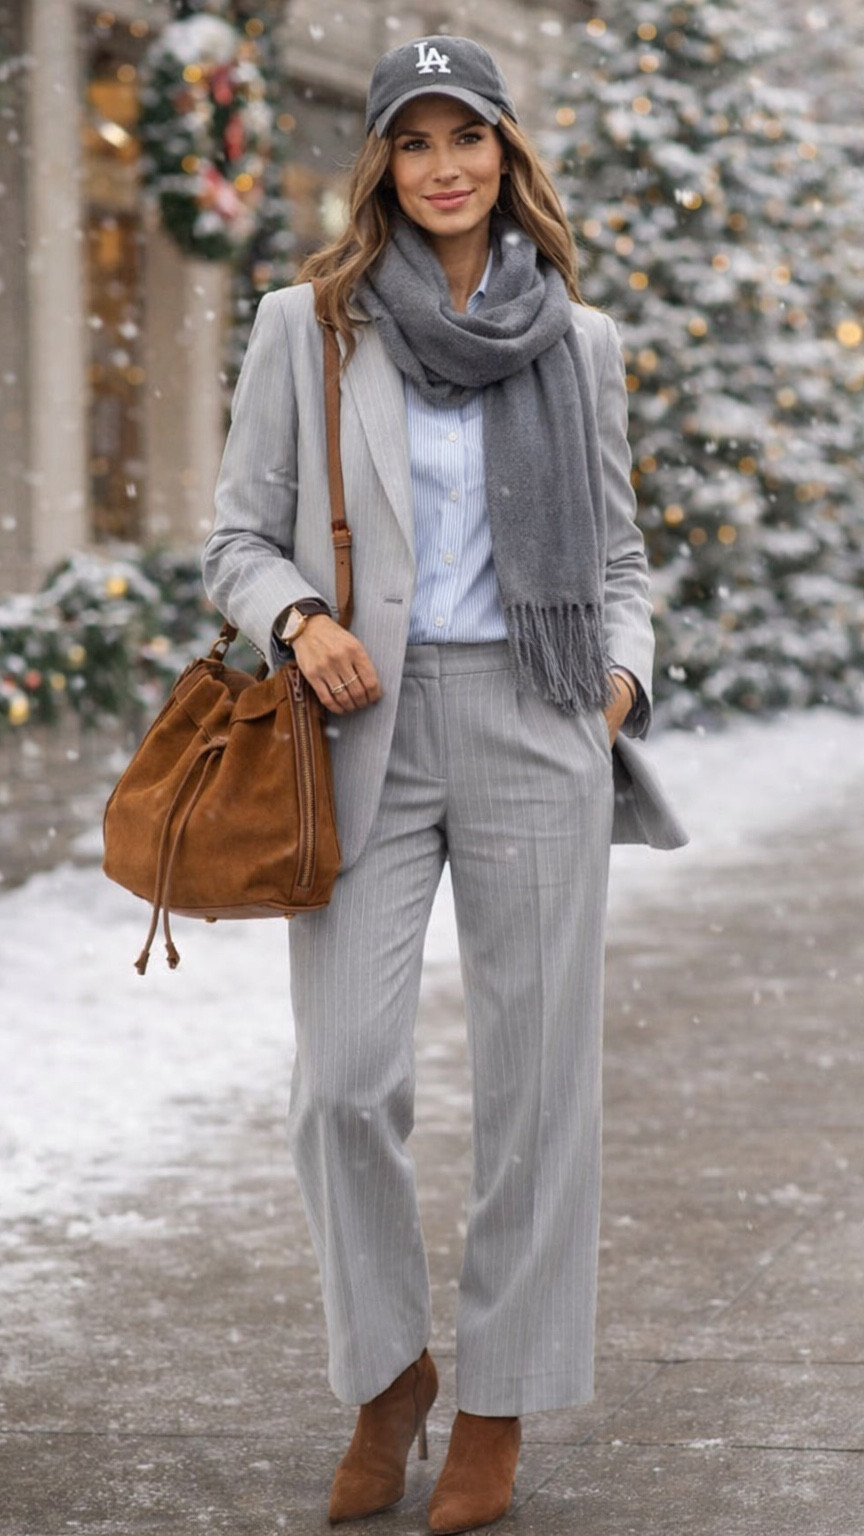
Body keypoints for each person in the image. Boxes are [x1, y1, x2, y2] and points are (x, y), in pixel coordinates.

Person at [204, 34, 685, 1534]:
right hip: (364, 723)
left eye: (463, 136)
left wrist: (615, 684)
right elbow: (235, 539)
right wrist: (301, 618)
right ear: (383, 169)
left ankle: (497, 1402)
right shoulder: (312, 324)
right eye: (412, 143)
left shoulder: (577, 342)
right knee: (343, 1082)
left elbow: (616, 559)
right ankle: (388, 1373)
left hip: (539, 716)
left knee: (540, 1085)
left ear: (503, 153)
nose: (443, 167)